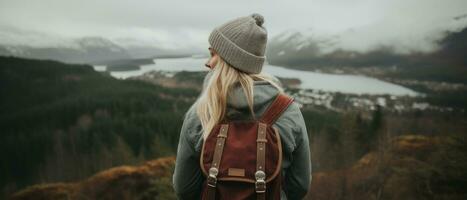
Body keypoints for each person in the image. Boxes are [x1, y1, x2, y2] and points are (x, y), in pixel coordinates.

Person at [172, 13, 311, 200]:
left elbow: (184, 189)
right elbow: (300, 185)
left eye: (213, 54)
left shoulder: (202, 113)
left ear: (229, 61)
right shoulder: (288, 111)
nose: (207, 62)